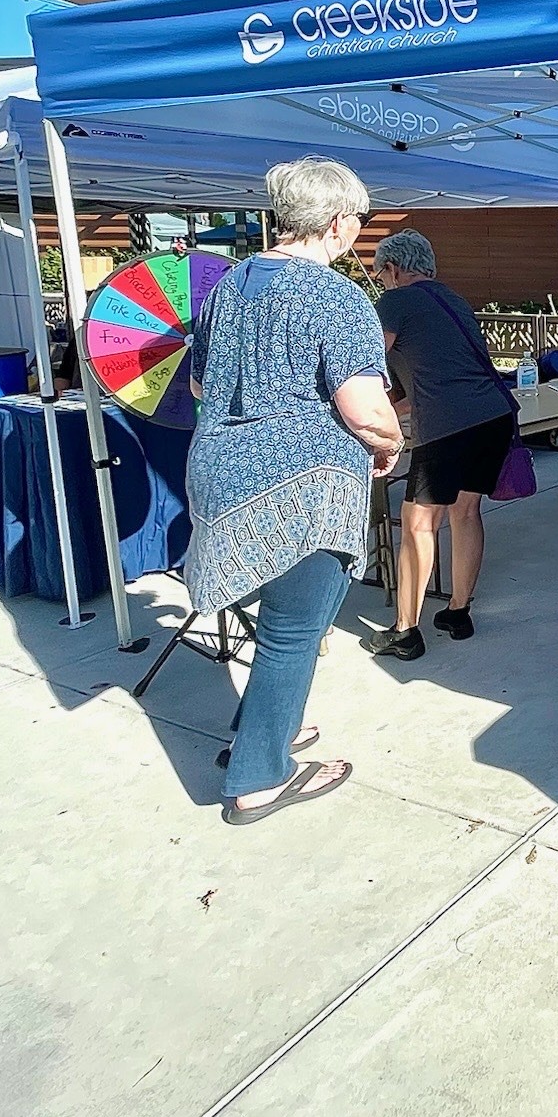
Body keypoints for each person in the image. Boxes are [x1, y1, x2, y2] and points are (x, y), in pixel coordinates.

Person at [187, 158, 403, 825]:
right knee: (292, 633)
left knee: (279, 627)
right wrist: (391, 445)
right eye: (358, 223)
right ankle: (258, 778)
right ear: (337, 223)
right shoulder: (337, 298)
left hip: (219, 477)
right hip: (300, 489)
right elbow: (365, 409)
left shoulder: (228, 287)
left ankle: (259, 732)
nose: (357, 233)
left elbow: (199, 386)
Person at [365, 228, 517, 660]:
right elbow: (438, 375)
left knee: (417, 523)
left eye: (380, 275)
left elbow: (370, 368)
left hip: (448, 426)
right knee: (466, 512)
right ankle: (458, 611)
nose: (381, 282)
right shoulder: (453, 300)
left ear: (393, 268)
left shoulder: (395, 302)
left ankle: (404, 630)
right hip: (492, 417)